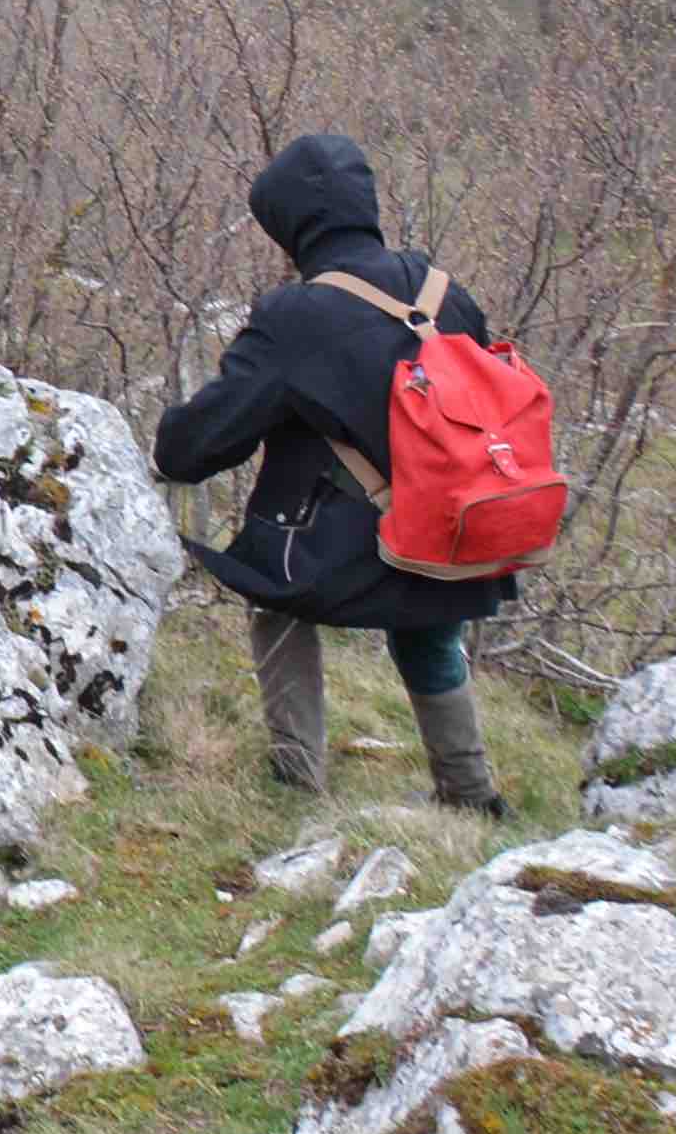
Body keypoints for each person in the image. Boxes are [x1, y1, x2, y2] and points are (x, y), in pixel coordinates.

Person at [150, 135, 513, 819]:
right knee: (430, 626)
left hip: (349, 551)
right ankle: (469, 792)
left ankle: (297, 780)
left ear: (293, 225)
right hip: (459, 529)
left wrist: (166, 450)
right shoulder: (446, 293)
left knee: (272, 588)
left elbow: (207, 438)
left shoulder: (296, 316)